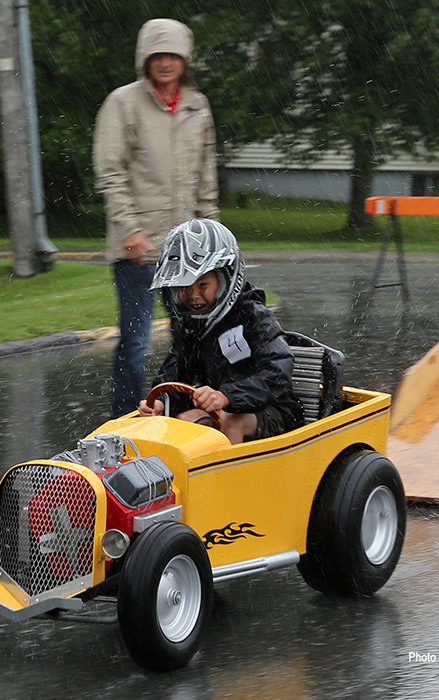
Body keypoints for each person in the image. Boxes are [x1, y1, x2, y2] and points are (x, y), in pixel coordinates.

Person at [93, 18, 219, 418]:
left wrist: (213, 231)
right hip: (139, 250)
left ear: (184, 60)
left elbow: (205, 174)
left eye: (173, 56)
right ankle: (123, 421)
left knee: (193, 338)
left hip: (186, 249)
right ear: (145, 60)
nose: (165, 63)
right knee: (136, 342)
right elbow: (110, 170)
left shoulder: (198, 105)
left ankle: (185, 419)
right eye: (157, 56)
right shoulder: (123, 102)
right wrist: (130, 229)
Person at [137, 219, 304, 444]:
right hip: (217, 407)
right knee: (181, 420)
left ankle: (228, 477)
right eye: (184, 288)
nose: (193, 295)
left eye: (202, 285)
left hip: (273, 410)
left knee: (228, 423)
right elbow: (175, 370)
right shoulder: (191, 325)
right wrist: (160, 401)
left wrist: (227, 395)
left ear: (225, 278)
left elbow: (277, 370)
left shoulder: (253, 316)